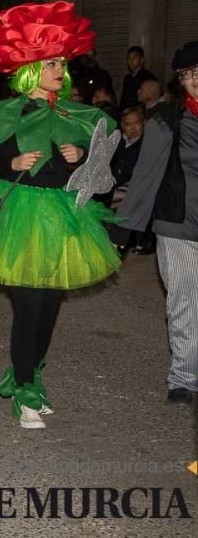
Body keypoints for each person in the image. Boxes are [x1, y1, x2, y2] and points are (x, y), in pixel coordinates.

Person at [0, 1, 121, 429]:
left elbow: (102, 170)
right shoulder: (1, 115)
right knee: (29, 308)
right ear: (30, 70)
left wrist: (80, 155)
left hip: (64, 217)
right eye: (50, 65)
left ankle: (26, 375)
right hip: (22, 218)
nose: (59, 71)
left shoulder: (77, 115)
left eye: (61, 64)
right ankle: (25, 390)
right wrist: (10, 164)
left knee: (49, 309)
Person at [114, 41, 198, 405]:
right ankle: (184, 378)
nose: (194, 81)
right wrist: (121, 231)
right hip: (177, 224)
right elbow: (146, 175)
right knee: (183, 302)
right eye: (187, 74)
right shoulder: (167, 118)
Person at [121, 46, 158, 111]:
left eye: (134, 58)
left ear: (141, 60)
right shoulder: (127, 78)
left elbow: (152, 101)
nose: (131, 61)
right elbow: (123, 99)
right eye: (129, 59)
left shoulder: (149, 78)